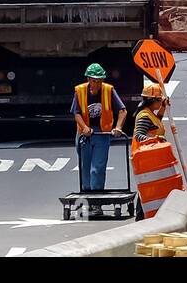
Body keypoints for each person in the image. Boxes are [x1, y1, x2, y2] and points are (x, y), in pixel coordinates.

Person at [72, 63, 126, 191]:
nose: (96, 84)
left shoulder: (108, 90)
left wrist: (118, 127)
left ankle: (96, 198)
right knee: (85, 168)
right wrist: (84, 127)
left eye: (99, 81)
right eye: (94, 81)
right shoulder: (79, 91)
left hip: (102, 133)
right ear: (88, 80)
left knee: (97, 169)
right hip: (84, 135)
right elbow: (76, 113)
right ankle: (87, 195)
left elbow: (122, 110)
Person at [132, 83, 168, 149]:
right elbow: (138, 135)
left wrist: (163, 106)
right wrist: (154, 139)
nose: (161, 102)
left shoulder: (150, 113)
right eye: (160, 100)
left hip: (153, 152)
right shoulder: (144, 116)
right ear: (152, 101)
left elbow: (156, 123)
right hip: (145, 154)